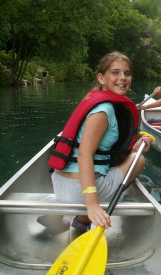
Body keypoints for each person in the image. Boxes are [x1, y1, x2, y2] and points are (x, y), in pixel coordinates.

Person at [38, 52, 153, 233]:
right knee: (138, 161)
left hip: (60, 184)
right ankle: (82, 219)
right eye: (115, 72)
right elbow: (84, 154)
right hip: (79, 193)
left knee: (134, 155)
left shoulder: (94, 99)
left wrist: (135, 147)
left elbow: (101, 148)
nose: (122, 78)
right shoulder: (103, 110)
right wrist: (92, 205)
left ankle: (62, 214)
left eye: (127, 73)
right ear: (101, 77)